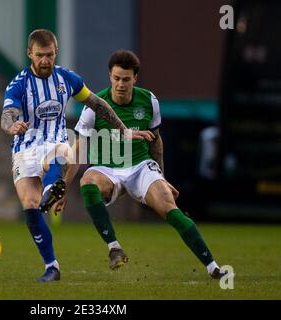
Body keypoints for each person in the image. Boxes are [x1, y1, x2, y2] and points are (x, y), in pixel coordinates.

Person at [1, 30, 152, 282]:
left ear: (55, 52)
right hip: (24, 150)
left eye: (49, 55)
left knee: (63, 150)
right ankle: (52, 267)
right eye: (40, 56)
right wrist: (11, 126)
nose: (45, 60)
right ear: (30, 54)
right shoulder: (19, 84)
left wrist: (122, 129)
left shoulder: (66, 79)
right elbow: (7, 114)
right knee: (30, 206)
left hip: (56, 144)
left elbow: (97, 104)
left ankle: (52, 188)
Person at [74, 49, 227, 279]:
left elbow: (157, 142)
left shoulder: (149, 101)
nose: (121, 84)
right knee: (87, 182)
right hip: (107, 169)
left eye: (126, 79)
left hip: (140, 167)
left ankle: (213, 267)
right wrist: (63, 183)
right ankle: (114, 248)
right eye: (116, 78)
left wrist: (161, 178)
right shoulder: (94, 105)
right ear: (109, 77)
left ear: (135, 78)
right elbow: (78, 146)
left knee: (169, 207)